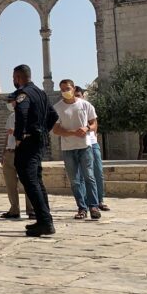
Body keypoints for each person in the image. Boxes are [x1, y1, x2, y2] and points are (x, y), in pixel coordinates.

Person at [11, 64, 59, 237]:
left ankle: (45, 222)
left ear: (18, 77)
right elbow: (54, 115)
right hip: (39, 141)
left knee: (30, 180)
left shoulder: (23, 94)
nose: (13, 81)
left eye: (14, 78)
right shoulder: (41, 93)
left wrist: (19, 136)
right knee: (36, 180)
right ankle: (44, 219)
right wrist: (43, 131)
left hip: (29, 142)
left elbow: (22, 114)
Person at [53, 79, 101, 220]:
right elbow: (56, 129)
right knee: (74, 180)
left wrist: (87, 128)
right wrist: (72, 132)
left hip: (85, 146)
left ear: (74, 88)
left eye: (67, 88)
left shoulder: (85, 105)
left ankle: (94, 206)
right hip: (68, 148)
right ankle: (81, 208)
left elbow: (94, 124)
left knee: (89, 177)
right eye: (62, 89)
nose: (65, 91)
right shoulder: (57, 108)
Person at [75, 86, 109, 211]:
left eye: (78, 95)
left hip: (92, 143)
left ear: (83, 96)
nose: (77, 98)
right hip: (77, 145)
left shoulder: (88, 106)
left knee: (98, 172)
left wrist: (92, 134)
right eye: (75, 95)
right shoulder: (70, 109)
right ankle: (86, 202)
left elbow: (94, 123)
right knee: (81, 175)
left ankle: (99, 200)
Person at [0, 94, 34, 219]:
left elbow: (31, 133)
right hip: (10, 152)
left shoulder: (28, 116)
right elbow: (7, 135)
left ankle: (31, 210)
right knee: (10, 183)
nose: (9, 103)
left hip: (23, 151)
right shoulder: (11, 116)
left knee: (27, 182)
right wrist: (3, 152)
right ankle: (14, 209)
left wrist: (15, 132)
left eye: (11, 101)